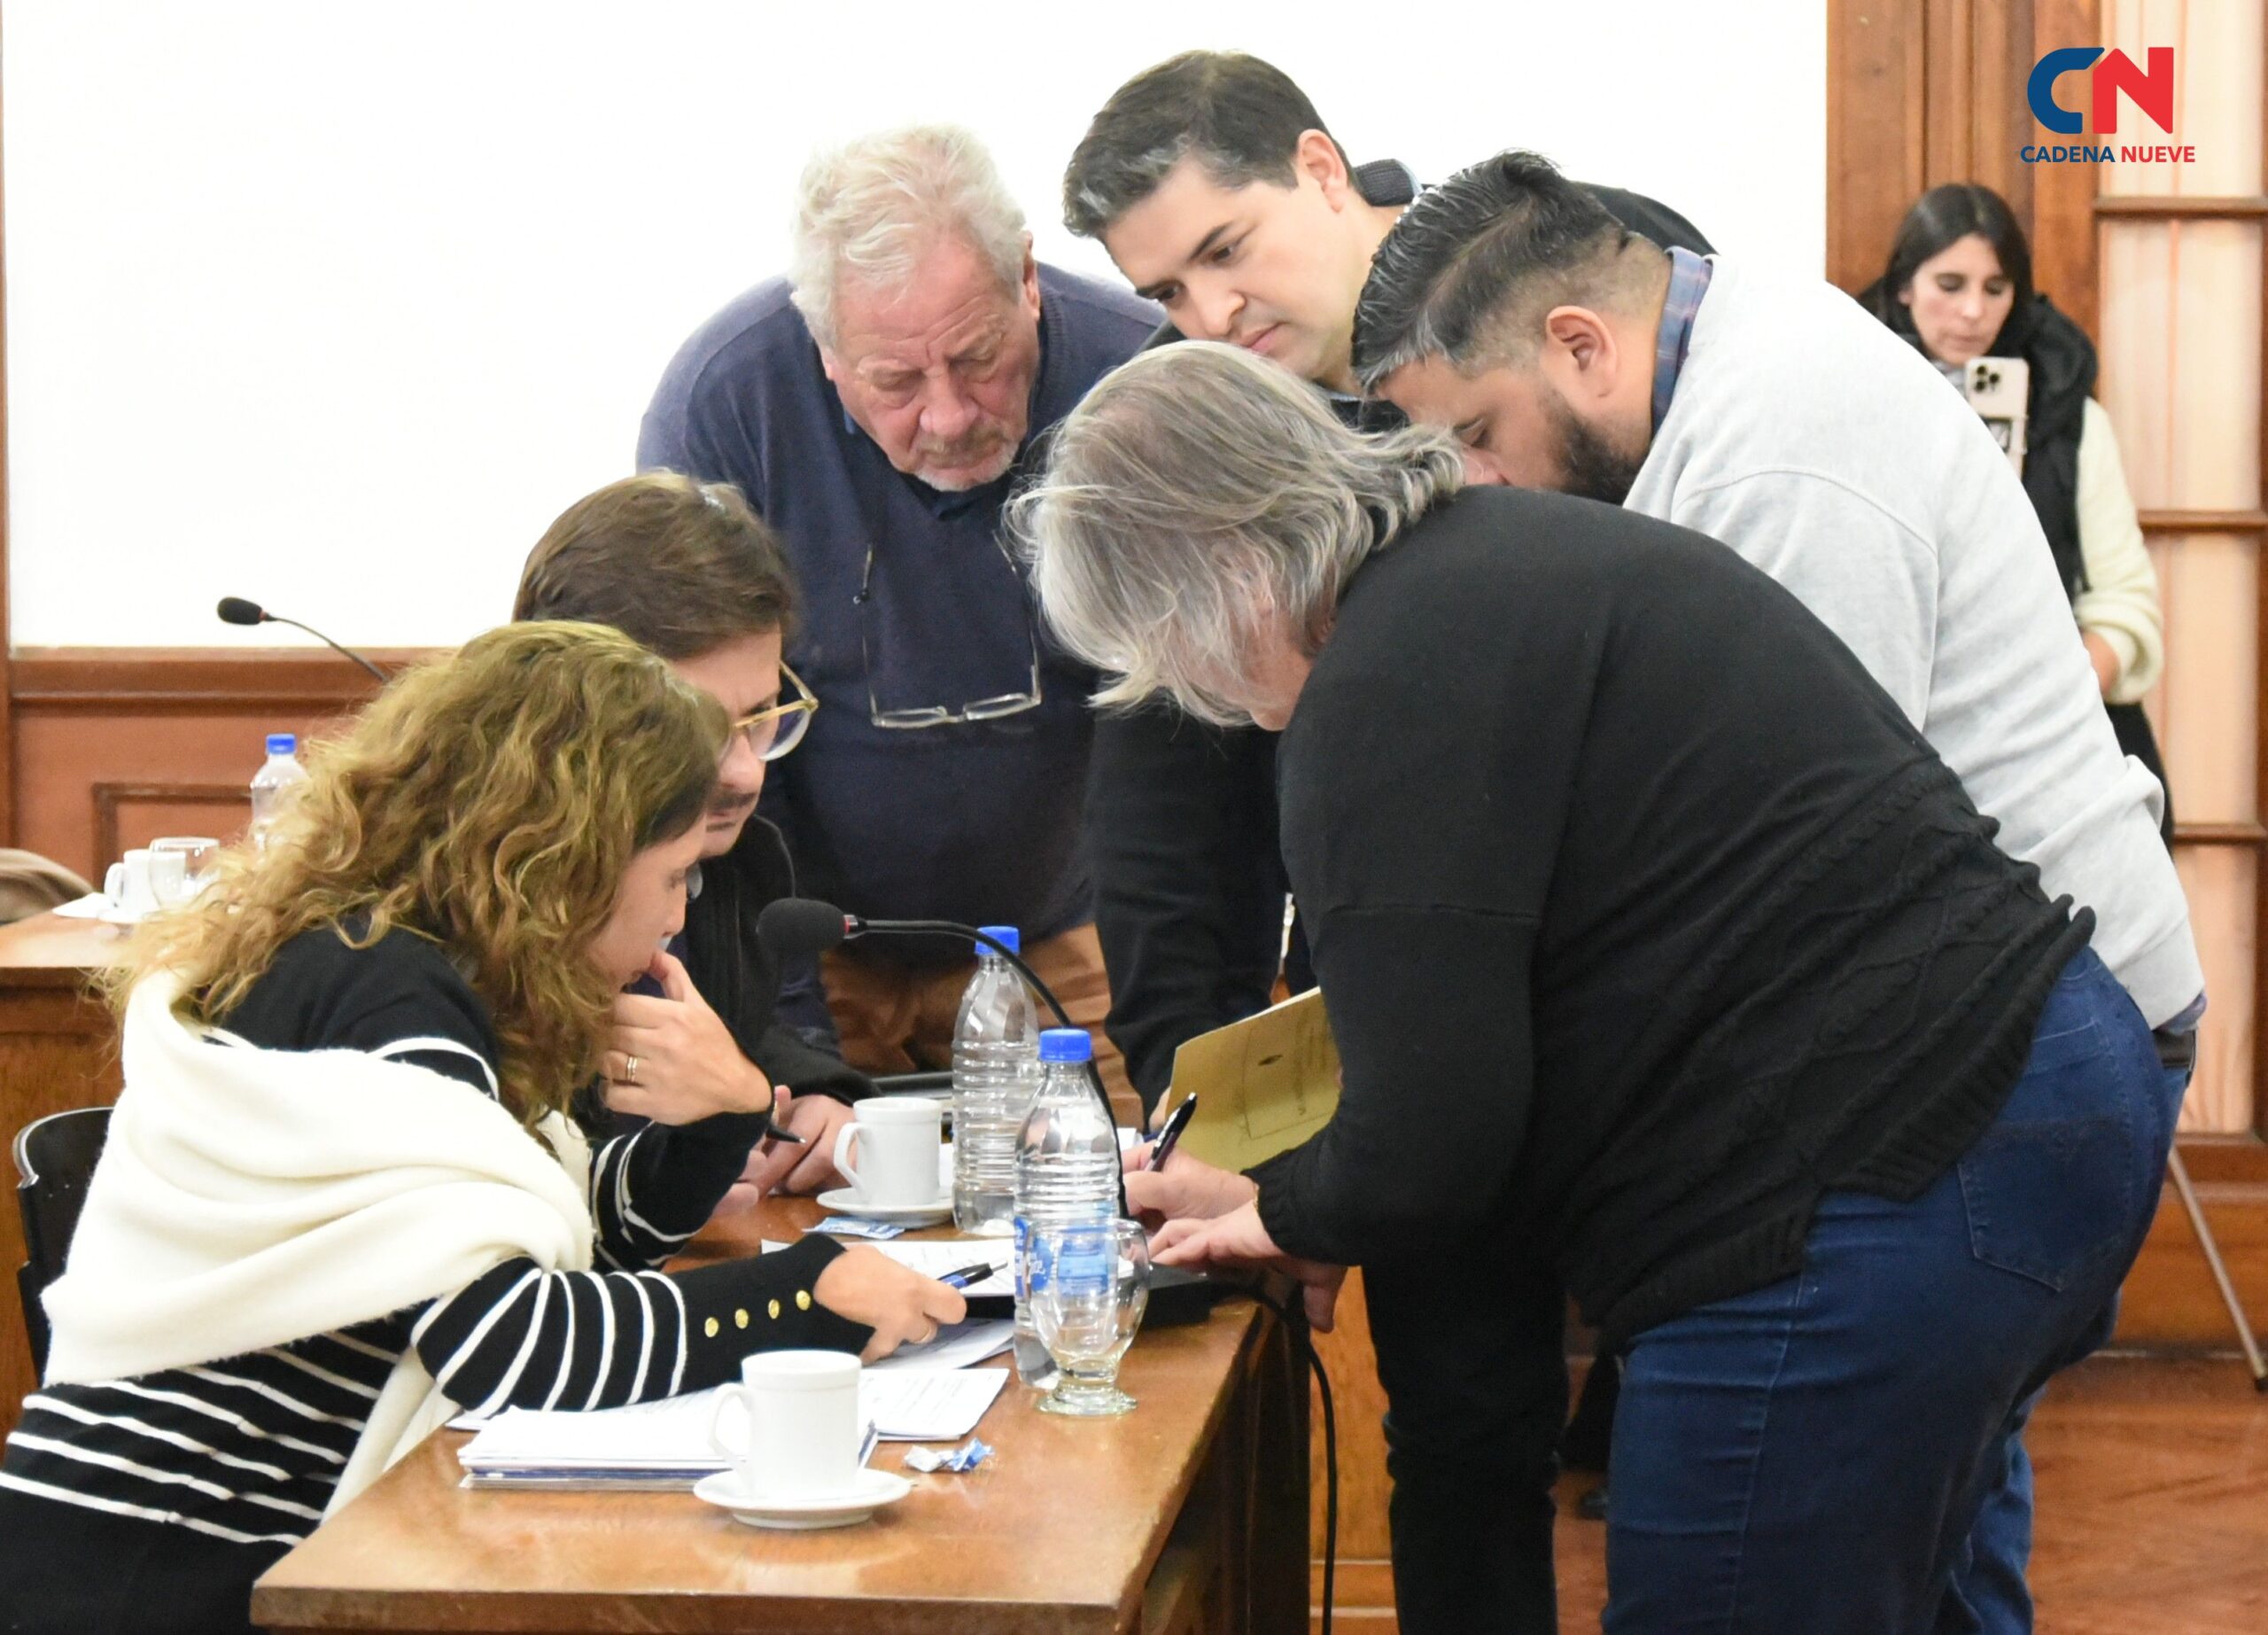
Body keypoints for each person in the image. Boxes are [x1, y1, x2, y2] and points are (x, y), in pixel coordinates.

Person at [1014, 339, 2175, 1635]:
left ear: (1224, 578)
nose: (1200, 701)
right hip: (2050, 1088)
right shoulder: (1501, 555)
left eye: (1167, 657)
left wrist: (1278, 1211)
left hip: (1877, 1179)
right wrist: (1300, 1196)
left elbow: (1430, 1137)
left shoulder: (1380, 683)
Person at [1351, 150, 2203, 1631]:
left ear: (1581, 343)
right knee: (1924, 1572)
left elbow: (1786, 886)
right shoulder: (1735, 346)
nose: (1480, 487)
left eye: (1478, 435)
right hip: (2004, 1034)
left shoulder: (1775, 465)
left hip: (1985, 1063)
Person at [0, 624, 962, 1635]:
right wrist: (798, 1294)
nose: (680, 917)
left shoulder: (391, 958)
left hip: (187, 1548)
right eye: (673, 874)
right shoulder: (389, 997)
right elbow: (509, 1344)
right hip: (166, 1573)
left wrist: (723, 1115)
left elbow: (577, 1239)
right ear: (579, 859)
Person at [1060, 50, 1713, 1116]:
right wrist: (1209, 1112)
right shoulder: (1184, 431)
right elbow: (1166, 828)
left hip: (1657, 950)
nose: (1212, 311)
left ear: (1322, 170)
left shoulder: (1563, 261)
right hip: (1391, 1007)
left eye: (1225, 249)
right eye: (1168, 291)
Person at [637, 125, 1156, 1118]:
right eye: (896, 382)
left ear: (1027, 279)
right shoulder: (728, 405)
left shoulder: (1140, 375)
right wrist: (791, 1046)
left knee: (1118, 1198)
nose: (951, 416)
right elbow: (708, 757)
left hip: (1072, 948)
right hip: (814, 950)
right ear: (825, 353)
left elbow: (1194, 729)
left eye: (979, 357)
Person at [515, 471, 865, 1202]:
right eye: (697, 729)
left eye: (761, 716)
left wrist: (812, 1095)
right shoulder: (485, 893)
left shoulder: (741, 865)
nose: (743, 773)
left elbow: (727, 1033)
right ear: (566, 712)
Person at [1861, 182, 2173, 845]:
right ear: (1905, 286)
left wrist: (2057, 699)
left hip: (2057, 746)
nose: (1973, 311)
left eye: (1996, 288)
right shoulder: (1851, 401)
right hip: (1896, 749)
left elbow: (2125, 601)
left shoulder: (2071, 418)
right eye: (1950, 284)